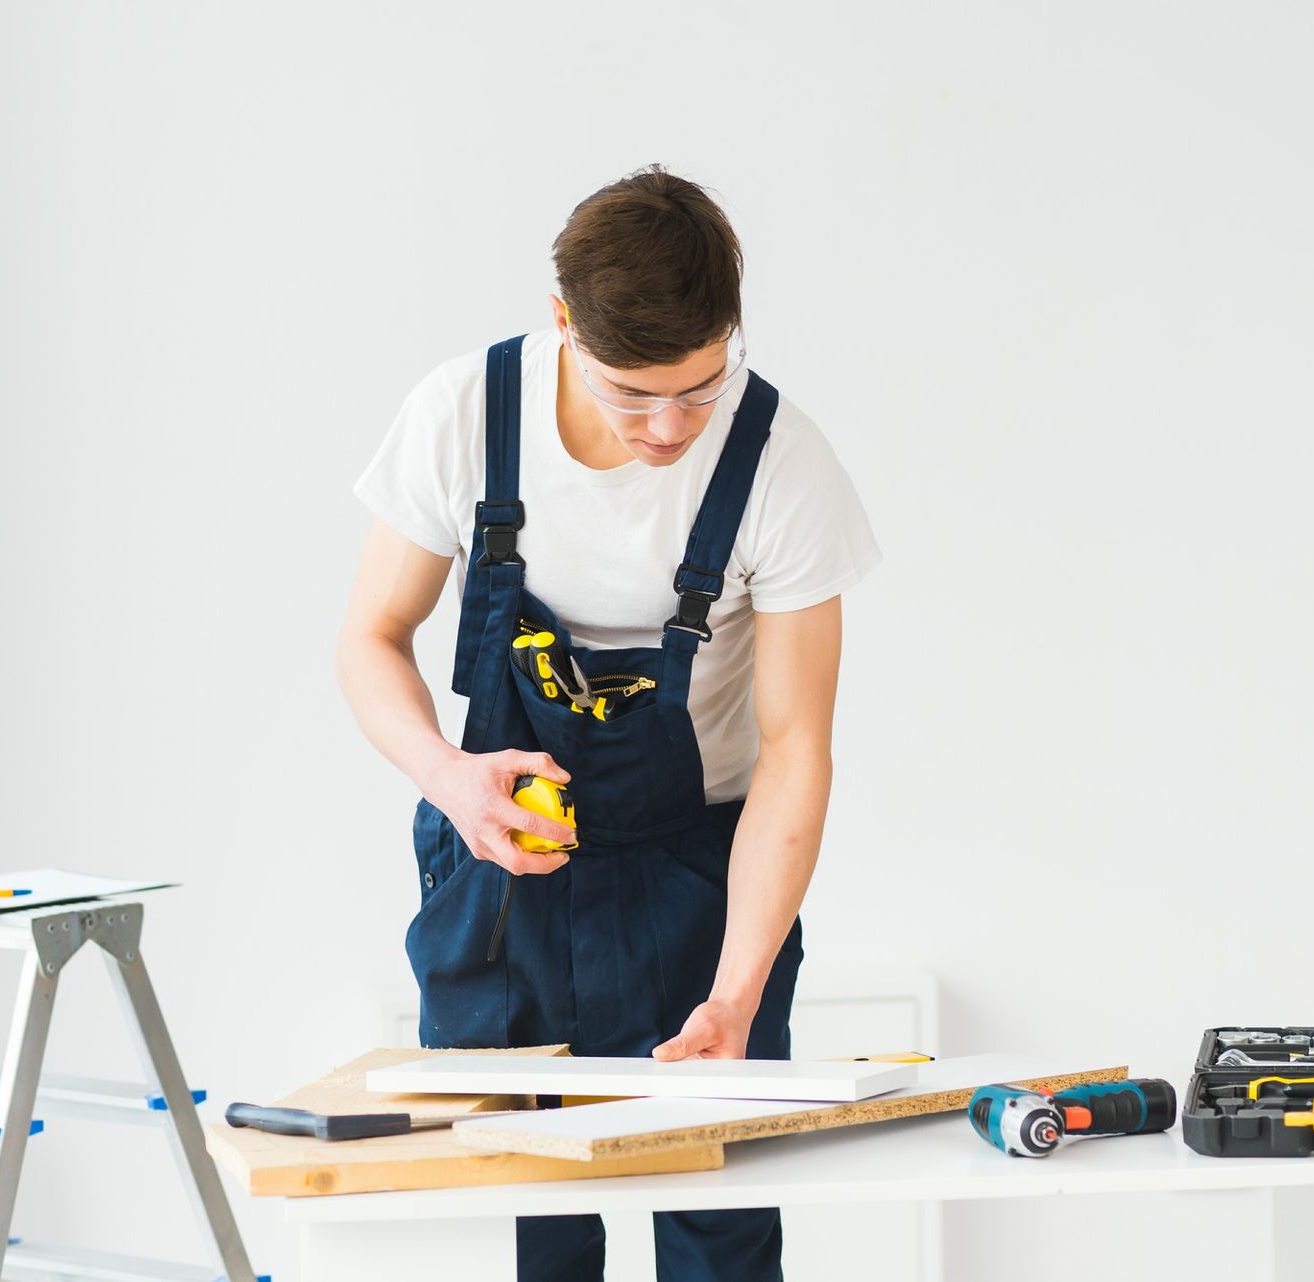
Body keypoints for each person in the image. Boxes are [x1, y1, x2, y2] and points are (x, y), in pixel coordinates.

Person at [334, 165, 879, 1282]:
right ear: (563, 324)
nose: (671, 426)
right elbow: (369, 640)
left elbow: (796, 749)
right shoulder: (465, 415)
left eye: (700, 385)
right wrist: (449, 776)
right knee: (541, 1211)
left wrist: (733, 996)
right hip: (506, 882)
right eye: (635, 395)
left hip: (699, 885)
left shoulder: (783, 462)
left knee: (717, 1222)